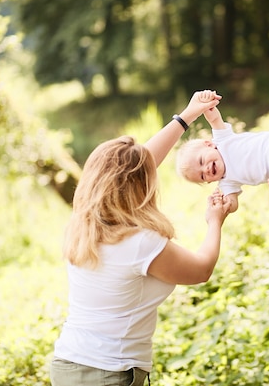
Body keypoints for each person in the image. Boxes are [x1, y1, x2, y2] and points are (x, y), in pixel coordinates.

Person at [49, 90, 232, 386]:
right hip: (108, 373)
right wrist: (215, 222)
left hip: (68, 365)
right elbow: (201, 270)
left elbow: (135, 168)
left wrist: (186, 117)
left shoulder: (82, 225)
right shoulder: (138, 243)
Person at [175, 95, 269, 213]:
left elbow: (214, 118)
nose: (206, 169)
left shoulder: (222, 140)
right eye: (203, 176)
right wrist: (226, 205)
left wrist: (206, 103)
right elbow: (233, 202)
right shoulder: (226, 182)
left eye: (202, 161)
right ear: (208, 182)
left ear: (209, 145)